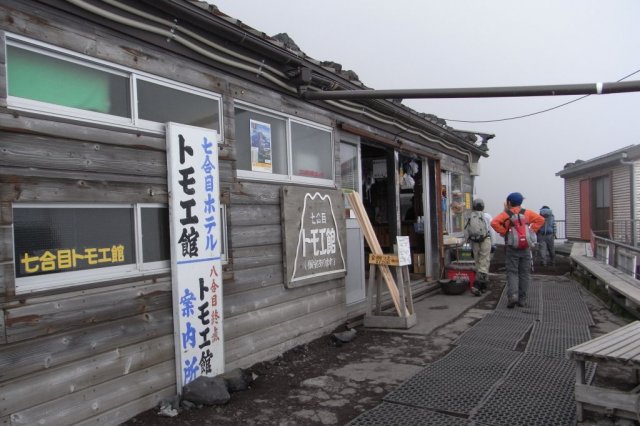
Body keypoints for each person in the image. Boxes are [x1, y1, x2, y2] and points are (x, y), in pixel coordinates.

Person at [491, 192, 545, 308]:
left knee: (512, 272)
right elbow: (541, 220)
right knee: (524, 273)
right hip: (525, 247)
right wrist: (531, 231)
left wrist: (504, 232)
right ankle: (523, 299)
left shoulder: (506, 214)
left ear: (509, 202)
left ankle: (513, 296)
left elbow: (494, 223)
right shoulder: (527, 213)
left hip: (512, 247)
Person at [464, 198, 493, 296]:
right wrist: (493, 244)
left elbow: (466, 230)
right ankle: (477, 285)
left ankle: (483, 286)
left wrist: (467, 243)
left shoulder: (469, 216)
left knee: (477, 262)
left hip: (474, 241)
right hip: (485, 240)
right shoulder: (487, 216)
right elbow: (491, 230)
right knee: (484, 262)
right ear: (483, 206)